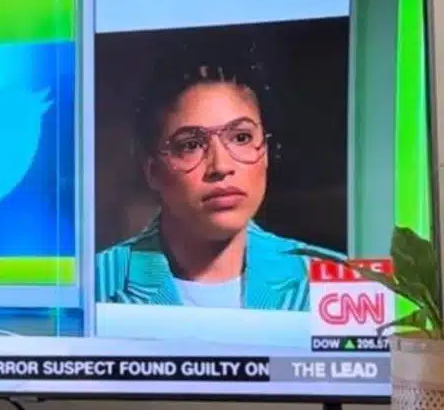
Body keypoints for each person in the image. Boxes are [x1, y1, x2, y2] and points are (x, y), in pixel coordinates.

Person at [95, 48, 343, 310]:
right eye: (191, 145)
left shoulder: (336, 284)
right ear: (153, 170)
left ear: (266, 152)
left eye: (241, 138)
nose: (221, 166)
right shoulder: (94, 284)